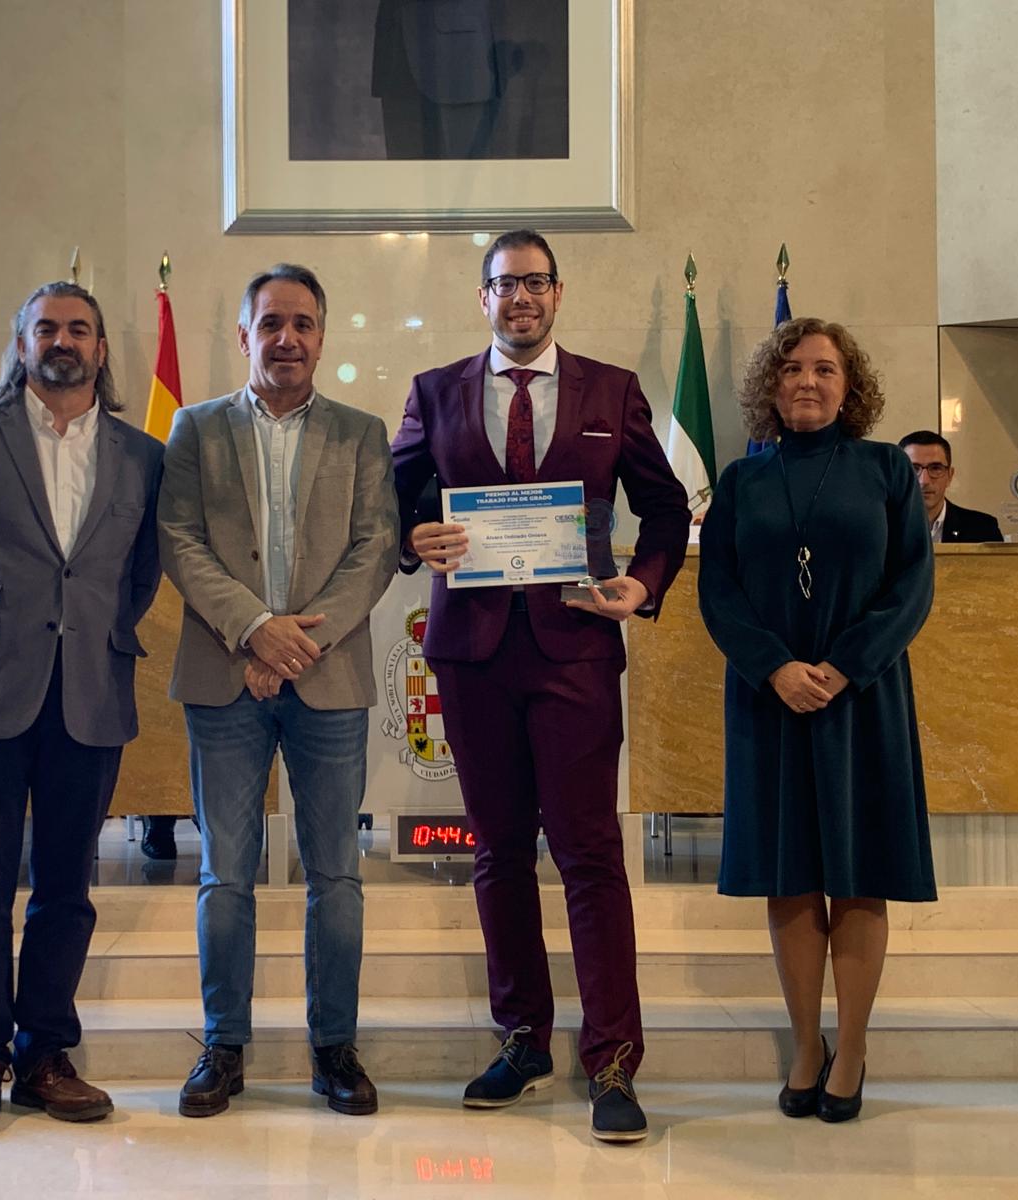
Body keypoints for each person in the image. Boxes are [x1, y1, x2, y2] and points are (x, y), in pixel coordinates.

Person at [391, 229, 691, 1143]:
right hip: (473, 655)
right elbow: (393, 503)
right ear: (481, 298)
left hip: (575, 651)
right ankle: (523, 1037)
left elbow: (666, 507)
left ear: (558, 293)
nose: (519, 298)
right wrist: (414, 537)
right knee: (499, 852)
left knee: (590, 855)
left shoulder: (612, 390)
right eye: (503, 284)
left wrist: (643, 585)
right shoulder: (434, 392)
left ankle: (612, 1060)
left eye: (534, 282)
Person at [0, 281, 165, 1132]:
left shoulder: (141, 455)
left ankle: (46, 1056)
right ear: (22, 345)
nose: (63, 340)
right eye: (46, 328)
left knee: (66, 888)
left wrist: (84, 634)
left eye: (79, 329)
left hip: (88, 688)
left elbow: (138, 577)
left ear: (100, 349)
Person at [157, 263, 399, 1119]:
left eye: (302, 324)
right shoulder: (195, 428)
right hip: (225, 675)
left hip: (327, 679)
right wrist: (255, 628)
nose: (286, 338)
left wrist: (298, 642)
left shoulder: (362, 433)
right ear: (245, 335)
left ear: (322, 338)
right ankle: (223, 1047)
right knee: (226, 873)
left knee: (336, 873)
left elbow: (376, 546)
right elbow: (180, 540)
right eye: (271, 324)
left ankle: (335, 1048)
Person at [697, 317, 936, 1124]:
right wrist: (775, 668)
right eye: (793, 367)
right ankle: (807, 1044)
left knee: (859, 876)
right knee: (790, 873)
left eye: (825, 369)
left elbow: (912, 584)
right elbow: (719, 590)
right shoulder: (741, 481)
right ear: (771, 384)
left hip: (862, 697)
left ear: (849, 385)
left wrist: (843, 666)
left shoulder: (885, 470)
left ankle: (854, 1047)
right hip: (771, 700)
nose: (807, 380)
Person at [897, 430, 1003, 542]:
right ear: (896, 476)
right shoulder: (884, 527)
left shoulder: (983, 529)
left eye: (935, 468)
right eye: (913, 469)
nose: (924, 481)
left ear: (950, 475)